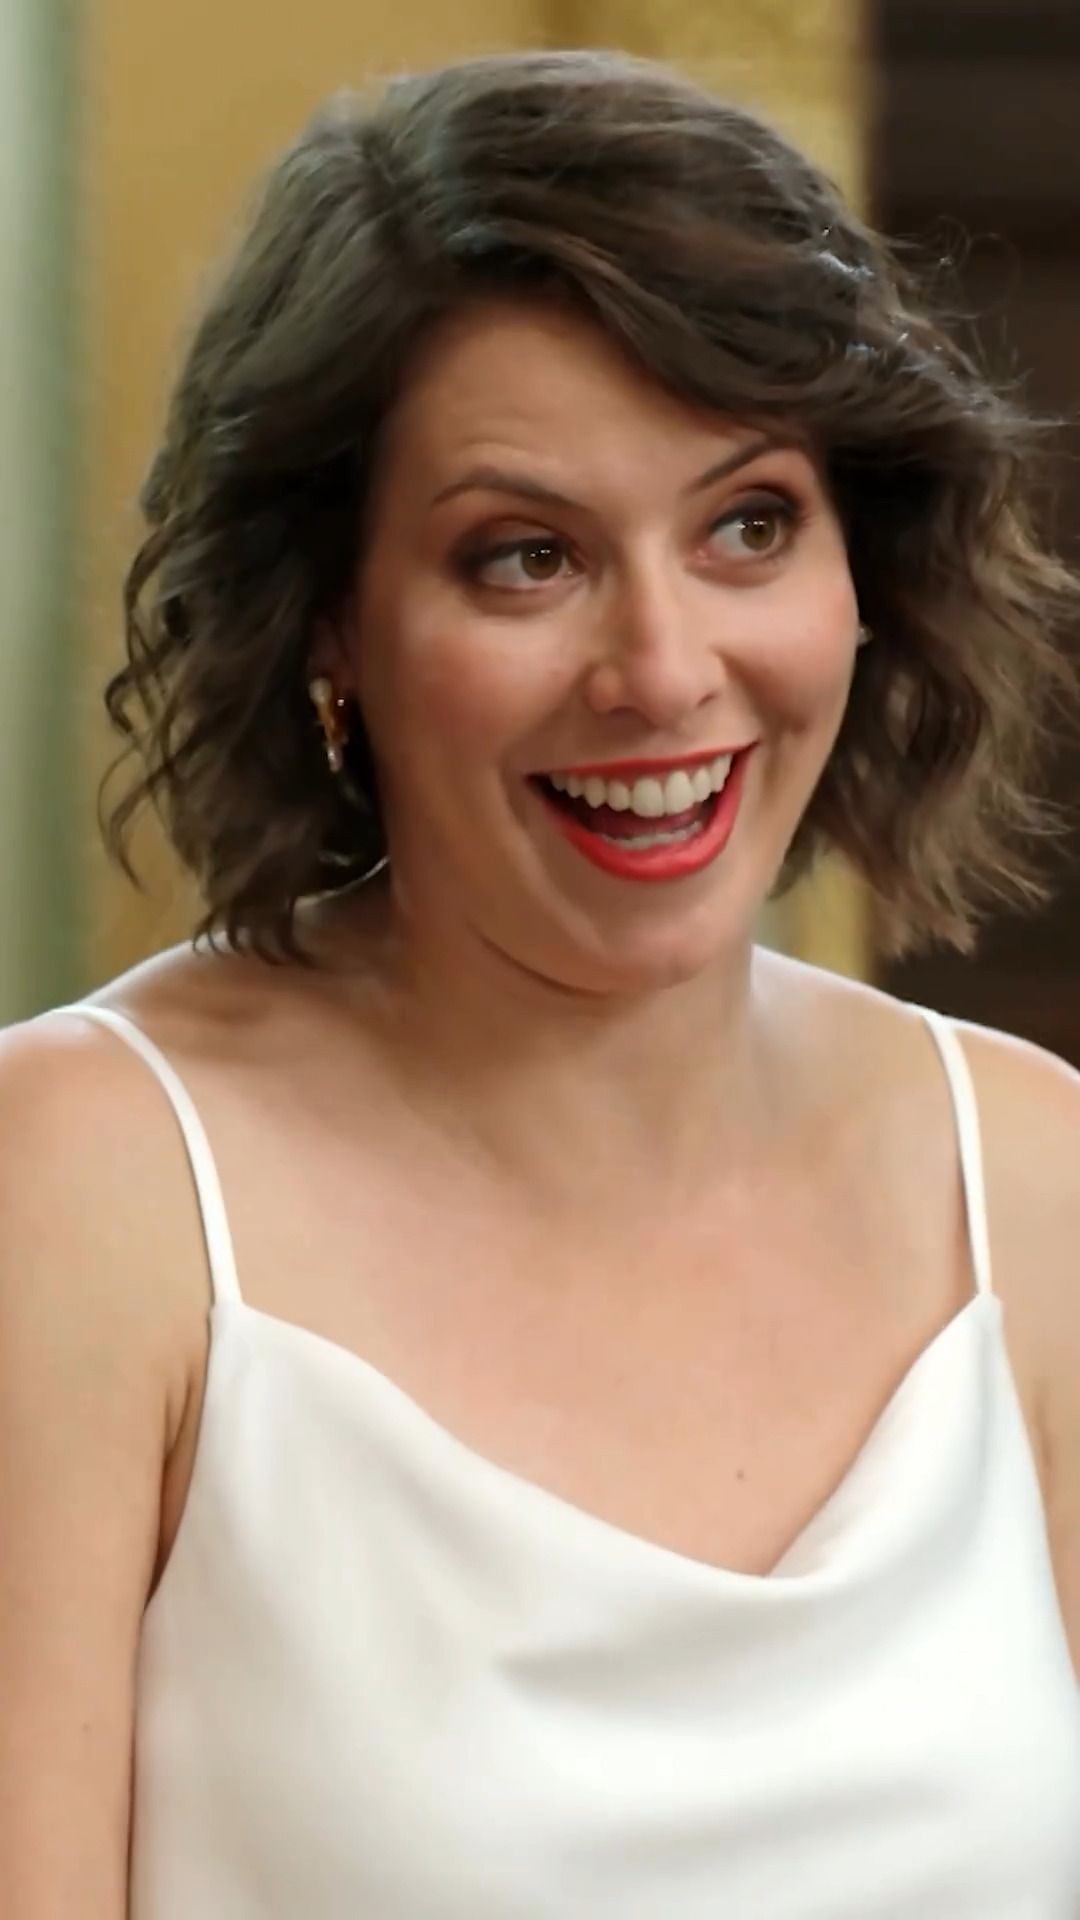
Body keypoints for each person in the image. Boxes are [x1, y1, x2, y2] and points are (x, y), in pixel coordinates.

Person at [1, 46, 1078, 1920]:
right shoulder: (79, 1192)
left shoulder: (1036, 1179)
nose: (661, 670)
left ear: (867, 569)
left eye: (749, 524)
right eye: (525, 558)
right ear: (329, 622)